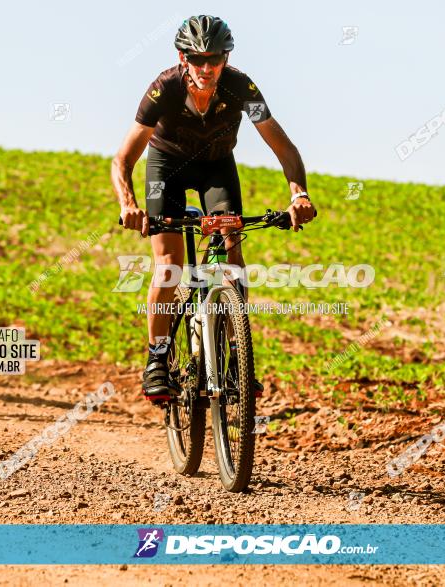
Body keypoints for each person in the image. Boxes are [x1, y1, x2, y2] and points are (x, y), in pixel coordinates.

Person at [112, 15, 316, 401]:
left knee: (231, 248)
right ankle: (158, 358)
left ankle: (238, 356)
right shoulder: (164, 89)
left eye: (216, 59)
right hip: (166, 166)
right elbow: (123, 158)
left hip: (216, 166)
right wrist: (129, 204)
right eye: (198, 58)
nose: (207, 68)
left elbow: (283, 147)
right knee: (169, 264)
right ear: (182, 57)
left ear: (226, 58)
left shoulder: (241, 88)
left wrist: (298, 194)